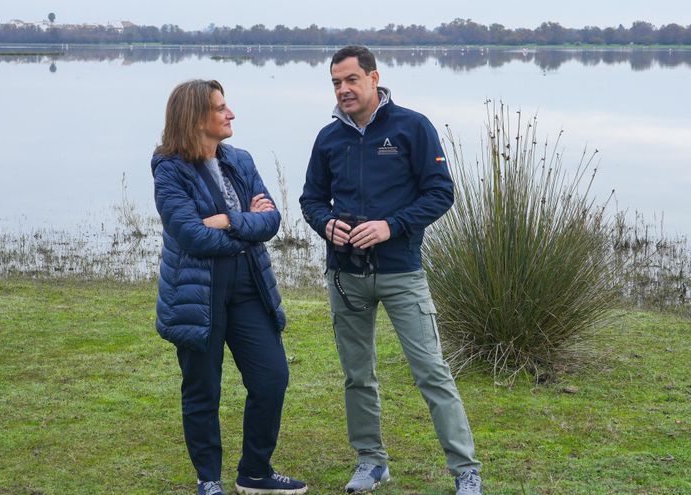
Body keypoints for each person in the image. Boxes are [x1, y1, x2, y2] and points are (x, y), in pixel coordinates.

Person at [299, 46, 483, 495]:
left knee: (431, 371)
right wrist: (328, 225)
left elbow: (440, 192)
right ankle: (371, 462)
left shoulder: (412, 127)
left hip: (402, 272)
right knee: (357, 374)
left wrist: (390, 226)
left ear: (374, 77)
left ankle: (465, 471)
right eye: (335, 83)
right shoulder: (328, 138)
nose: (343, 89)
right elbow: (311, 200)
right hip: (345, 276)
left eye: (350, 80)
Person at [151, 79, 308, 495]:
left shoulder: (240, 159)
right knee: (203, 389)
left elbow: (271, 221)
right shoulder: (169, 170)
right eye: (220, 108)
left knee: (272, 378)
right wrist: (246, 225)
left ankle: (255, 472)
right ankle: (209, 480)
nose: (230, 113)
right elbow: (192, 236)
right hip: (197, 295)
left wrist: (226, 221)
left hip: (248, 287)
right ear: (195, 118)